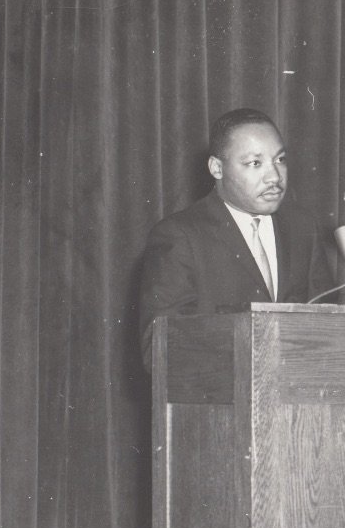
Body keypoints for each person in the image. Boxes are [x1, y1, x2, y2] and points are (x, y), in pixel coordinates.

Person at [138, 107, 333, 365]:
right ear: (217, 168)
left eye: (280, 160)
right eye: (255, 163)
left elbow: (330, 324)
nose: (274, 176)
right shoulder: (180, 235)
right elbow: (158, 348)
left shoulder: (303, 227)